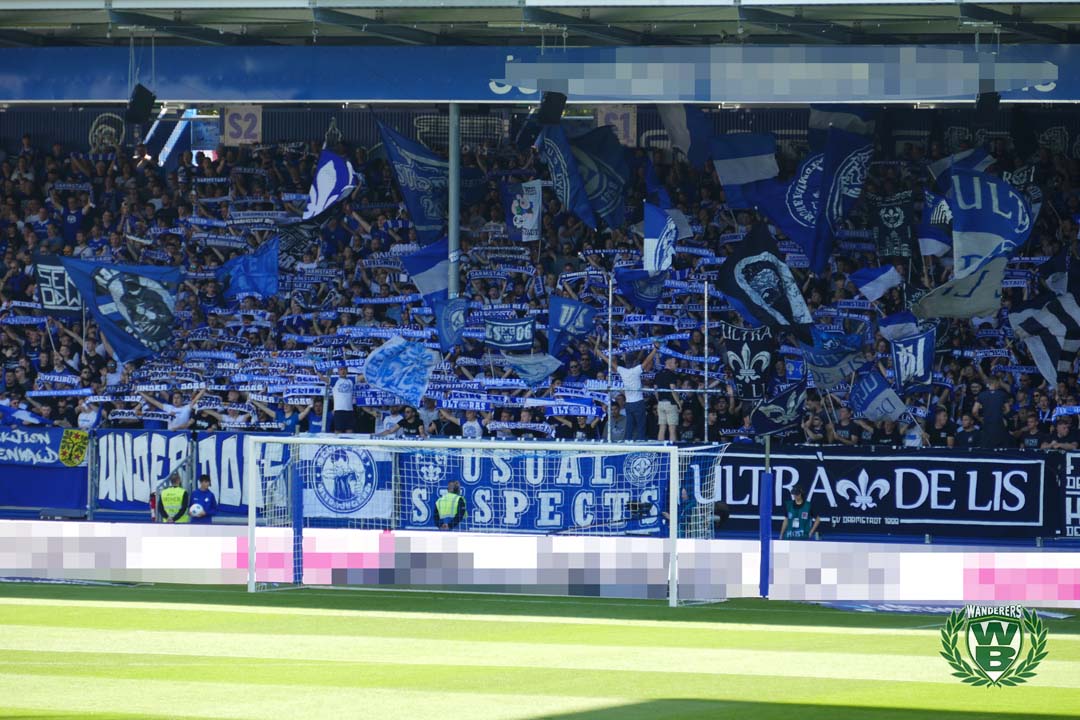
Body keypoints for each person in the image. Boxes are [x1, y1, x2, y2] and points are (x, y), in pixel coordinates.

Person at [607, 344, 657, 442]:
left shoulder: (622, 370)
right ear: (635, 361)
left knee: (629, 425)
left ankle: (627, 442)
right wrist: (655, 349)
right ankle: (641, 442)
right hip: (638, 403)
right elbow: (647, 360)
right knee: (641, 426)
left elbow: (609, 362)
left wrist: (600, 353)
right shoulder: (637, 370)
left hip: (628, 404)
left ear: (626, 362)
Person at [654, 355, 680, 442]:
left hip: (661, 403)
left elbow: (655, 390)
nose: (676, 366)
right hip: (671, 403)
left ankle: (659, 451)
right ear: (670, 362)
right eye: (675, 363)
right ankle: (673, 451)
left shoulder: (658, 374)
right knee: (672, 429)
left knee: (662, 428)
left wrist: (659, 401)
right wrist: (679, 403)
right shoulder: (672, 374)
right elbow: (673, 389)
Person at [328, 366, 356, 433]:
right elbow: (322, 378)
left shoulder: (351, 380)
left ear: (347, 371)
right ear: (338, 371)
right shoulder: (334, 380)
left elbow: (362, 377)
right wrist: (316, 369)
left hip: (349, 410)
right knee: (338, 431)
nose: (343, 371)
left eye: (344, 369)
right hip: (338, 410)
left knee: (350, 431)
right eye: (341, 369)